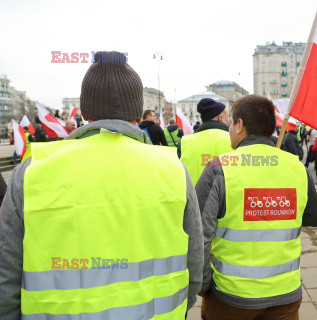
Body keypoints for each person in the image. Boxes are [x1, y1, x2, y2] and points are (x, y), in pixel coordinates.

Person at [0, 51, 203, 320]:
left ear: (85, 111)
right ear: (136, 111)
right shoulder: (172, 168)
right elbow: (195, 261)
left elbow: (7, 270)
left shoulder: (32, 171)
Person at [196, 94, 317, 320]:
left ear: (240, 124)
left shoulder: (220, 168)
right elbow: (314, 216)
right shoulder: (295, 166)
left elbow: (198, 235)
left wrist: (204, 284)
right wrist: (278, 210)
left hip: (232, 297)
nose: (229, 130)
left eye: (231, 123)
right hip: (286, 295)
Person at [178, 98, 232, 185]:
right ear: (220, 118)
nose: (230, 121)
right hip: (226, 197)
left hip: (194, 197)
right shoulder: (234, 140)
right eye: (228, 117)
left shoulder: (184, 142)